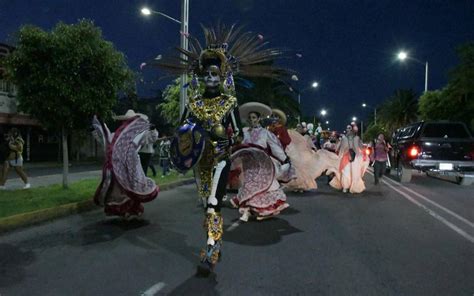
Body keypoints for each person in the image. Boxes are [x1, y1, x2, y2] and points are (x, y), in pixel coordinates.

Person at [149, 23, 293, 274]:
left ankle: (212, 246)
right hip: (200, 163)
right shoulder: (193, 103)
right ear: (202, 77)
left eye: (216, 75)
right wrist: (181, 148)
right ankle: (213, 239)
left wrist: (229, 140)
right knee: (207, 205)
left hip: (220, 159)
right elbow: (182, 131)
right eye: (208, 75)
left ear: (222, 77)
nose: (211, 78)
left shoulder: (229, 103)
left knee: (215, 201)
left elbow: (237, 133)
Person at [91, 110, 159, 218]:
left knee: (133, 187)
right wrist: (97, 129)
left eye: (129, 121)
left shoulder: (137, 135)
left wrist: (152, 129)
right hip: (119, 167)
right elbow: (105, 140)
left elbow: (151, 138)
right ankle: (125, 211)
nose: (127, 124)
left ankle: (132, 211)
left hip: (132, 167)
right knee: (120, 191)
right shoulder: (116, 137)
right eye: (126, 122)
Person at [230, 102, 290, 221]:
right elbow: (238, 143)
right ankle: (247, 211)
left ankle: (257, 211)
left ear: (258, 119)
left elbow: (275, 146)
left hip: (262, 163)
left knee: (260, 186)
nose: (252, 120)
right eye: (250, 118)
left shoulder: (265, 132)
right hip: (248, 164)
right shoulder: (244, 131)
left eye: (254, 118)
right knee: (248, 185)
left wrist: (284, 158)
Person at [329, 123, 369, 193]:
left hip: (353, 158)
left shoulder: (354, 138)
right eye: (348, 128)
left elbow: (361, 147)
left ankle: (348, 187)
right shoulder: (344, 138)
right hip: (347, 158)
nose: (349, 130)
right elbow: (338, 148)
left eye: (350, 128)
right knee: (347, 172)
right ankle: (346, 186)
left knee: (353, 173)